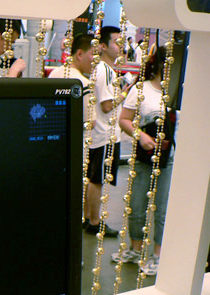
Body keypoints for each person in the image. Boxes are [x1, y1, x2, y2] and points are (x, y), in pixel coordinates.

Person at [112, 47, 174, 276]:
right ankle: (136, 249)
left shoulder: (179, 92)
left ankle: (158, 255)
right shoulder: (141, 89)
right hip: (143, 156)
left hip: (169, 158)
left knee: (162, 209)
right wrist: (141, 136)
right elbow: (124, 120)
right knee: (137, 205)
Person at [84, 26, 128, 238]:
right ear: (103, 45)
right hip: (105, 135)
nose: (121, 47)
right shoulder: (105, 71)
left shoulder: (101, 69)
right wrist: (125, 93)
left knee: (93, 178)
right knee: (97, 180)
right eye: (117, 43)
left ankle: (88, 218)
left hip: (100, 135)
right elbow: (107, 105)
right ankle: (94, 222)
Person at [48, 33, 96, 124]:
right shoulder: (83, 83)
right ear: (80, 54)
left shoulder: (54, 73)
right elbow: (90, 122)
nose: (96, 60)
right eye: (94, 54)